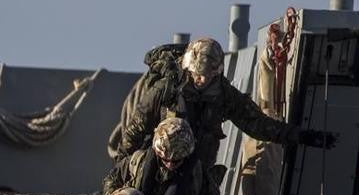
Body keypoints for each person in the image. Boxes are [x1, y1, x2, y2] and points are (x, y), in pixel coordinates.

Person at [108, 36, 338, 170]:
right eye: (197, 74)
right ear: (188, 68)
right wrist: (122, 169)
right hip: (159, 164)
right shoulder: (166, 89)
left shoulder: (223, 95)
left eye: (208, 75)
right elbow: (136, 129)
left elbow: (258, 125)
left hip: (196, 169)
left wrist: (303, 136)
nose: (202, 80)